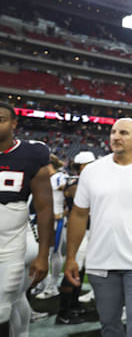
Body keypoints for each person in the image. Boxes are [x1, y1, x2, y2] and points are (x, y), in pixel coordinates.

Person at [64, 118, 132, 337]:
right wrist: (71, 256)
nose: (116, 136)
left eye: (124, 133)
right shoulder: (92, 171)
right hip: (101, 261)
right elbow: (78, 214)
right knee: (109, 324)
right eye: (114, 132)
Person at [0, 102, 54, 336]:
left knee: (2, 305)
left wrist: (43, 255)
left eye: (0, 119)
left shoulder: (32, 154)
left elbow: (45, 209)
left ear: (14, 123)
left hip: (11, 245)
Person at [55, 151, 96, 325]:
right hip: (77, 232)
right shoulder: (76, 183)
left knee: (81, 270)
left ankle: (74, 304)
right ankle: (63, 313)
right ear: (82, 166)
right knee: (73, 270)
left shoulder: (83, 182)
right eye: (90, 164)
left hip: (88, 231)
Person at [36, 154, 68, 299]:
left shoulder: (61, 177)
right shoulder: (42, 178)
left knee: (53, 253)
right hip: (43, 219)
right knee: (41, 253)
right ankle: (42, 283)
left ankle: (53, 286)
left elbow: (71, 195)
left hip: (56, 220)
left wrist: (63, 212)